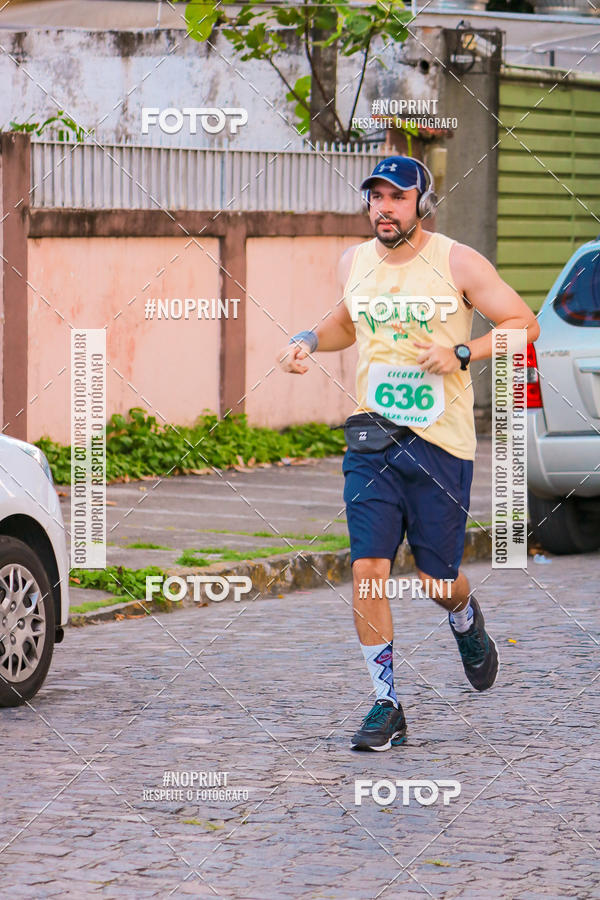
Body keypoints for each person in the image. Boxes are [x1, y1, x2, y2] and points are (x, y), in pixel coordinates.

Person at [276, 155, 540, 751]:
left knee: (435, 578)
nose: (384, 208)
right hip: (371, 435)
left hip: (440, 440)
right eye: (375, 197)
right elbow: (352, 319)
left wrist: (464, 354)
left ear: (423, 200)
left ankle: (465, 617)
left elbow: (525, 323)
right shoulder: (354, 261)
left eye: (397, 197)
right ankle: (386, 703)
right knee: (367, 571)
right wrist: (310, 340)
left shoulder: (457, 261)